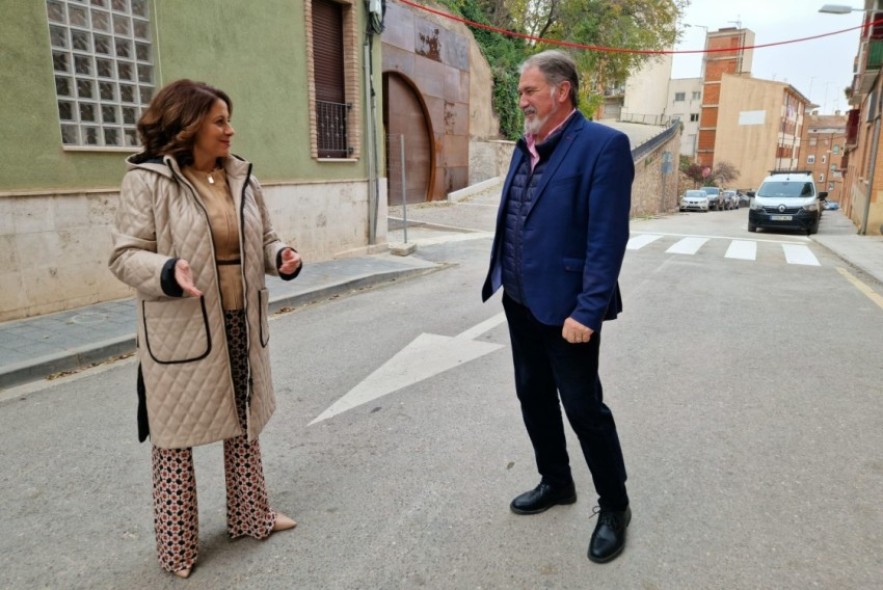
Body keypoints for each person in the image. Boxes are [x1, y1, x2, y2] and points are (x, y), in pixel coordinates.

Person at [109, 79, 302, 578]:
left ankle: (250, 516)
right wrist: (167, 271)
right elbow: (125, 254)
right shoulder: (148, 181)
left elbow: (266, 236)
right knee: (174, 439)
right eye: (219, 121)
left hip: (240, 320)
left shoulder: (241, 178)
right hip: (180, 329)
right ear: (188, 124)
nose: (230, 130)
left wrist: (279, 256)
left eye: (228, 120)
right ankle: (177, 548)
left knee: (244, 422)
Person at [481, 50, 634, 563]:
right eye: (522, 92)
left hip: (568, 311)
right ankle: (557, 481)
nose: (521, 99)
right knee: (533, 396)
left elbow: (606, 238)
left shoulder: (603, 146)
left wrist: (588, 311)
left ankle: (615, 506)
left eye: (529, 91)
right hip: (520, 299)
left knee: (585, 409)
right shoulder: (524, 147)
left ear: (561, 90)